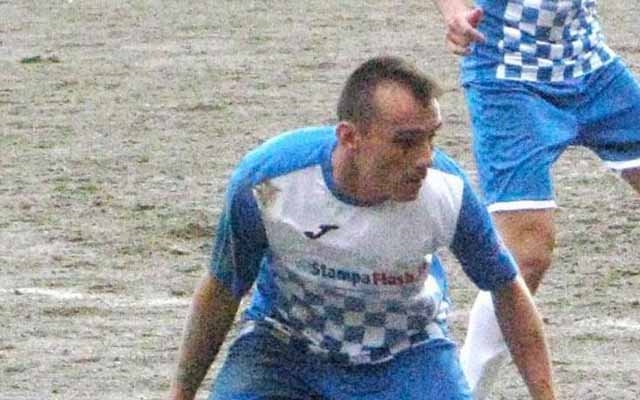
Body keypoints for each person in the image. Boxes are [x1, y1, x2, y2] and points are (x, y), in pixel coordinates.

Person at [168, 56, 556, 400]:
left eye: (431, 138)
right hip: (284, 348)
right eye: (406, 142)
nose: (425, 158)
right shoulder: (268, 184)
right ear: (350, 137)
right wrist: (180, 395)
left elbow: (506, 288)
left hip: (408, 352)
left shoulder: (448, 191)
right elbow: (223, 287)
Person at [434, 0, 640, 398]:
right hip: (508, 77)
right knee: (525, 255)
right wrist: (454, 11)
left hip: (592, 66)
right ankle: (465, 391)